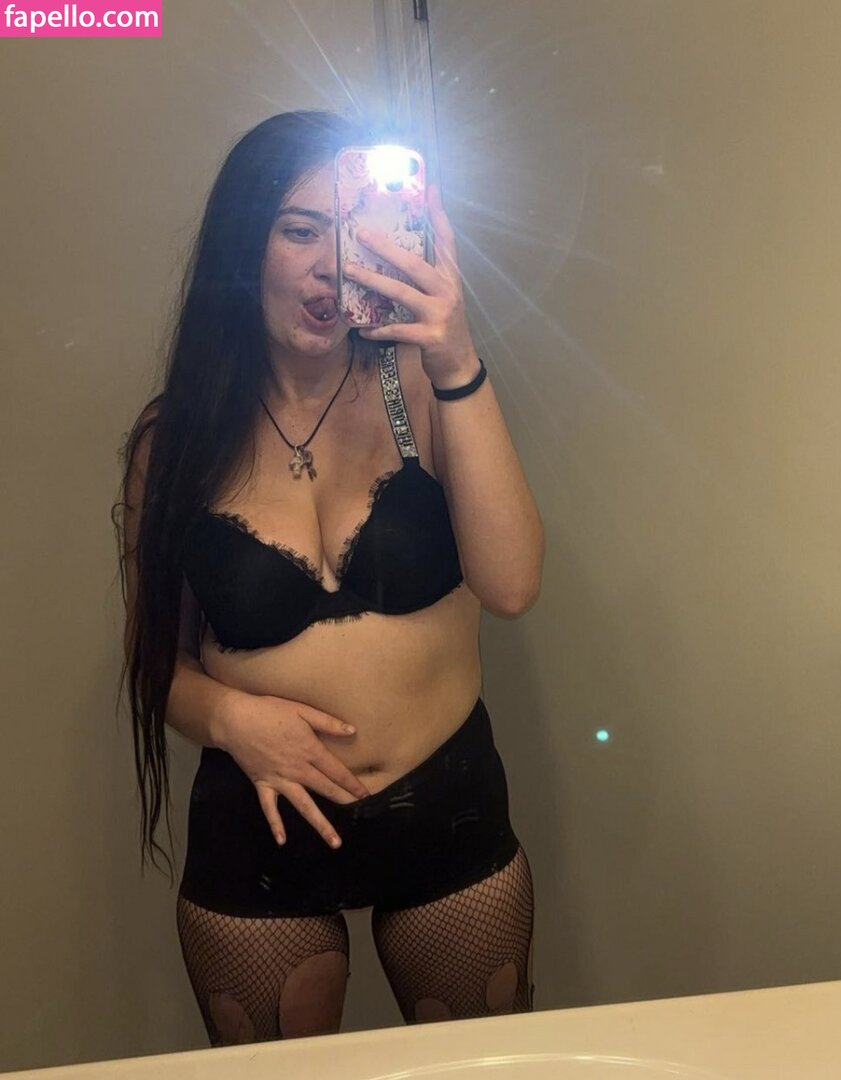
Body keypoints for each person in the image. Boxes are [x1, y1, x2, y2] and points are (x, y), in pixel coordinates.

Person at [116, 110, 544, 1047]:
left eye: (350, 232)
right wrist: (230, 719)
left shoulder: (422, 386)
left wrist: (457, 356)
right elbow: (154, 661)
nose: (329, 266)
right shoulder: (178, 438)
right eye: (300, 230)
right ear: (245, 244)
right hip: (259, 829)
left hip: (446, 810)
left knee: (482, 1072)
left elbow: (512, 585)